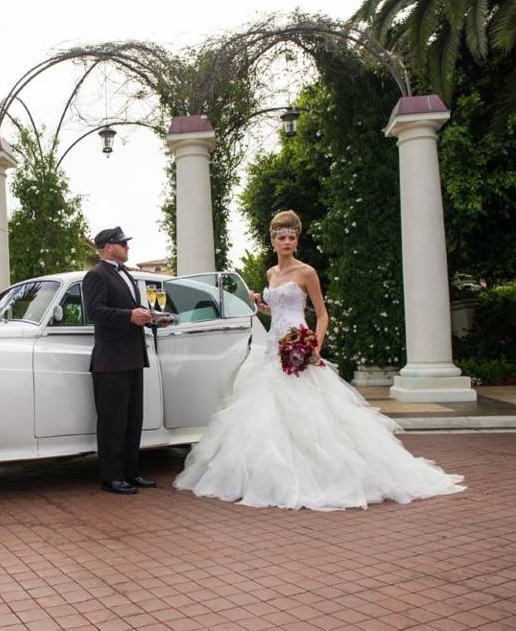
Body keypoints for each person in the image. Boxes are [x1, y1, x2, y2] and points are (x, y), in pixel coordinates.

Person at [174, 210, 466, 510]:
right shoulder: (270, 274)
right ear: (273, 241)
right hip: (274, 349)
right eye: (281, 237)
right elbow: (277, 313)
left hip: (300, 347)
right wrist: (260, 304)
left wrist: (314, 345)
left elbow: (322, 314)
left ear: (296, 241)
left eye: (291, 237)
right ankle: (272, 479)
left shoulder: (306, 272)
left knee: (311, 413)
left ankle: (329, 476)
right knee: (267, 414)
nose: (287, 242)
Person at [83, 226, 158, 495]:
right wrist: (129, 315)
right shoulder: (95, 275)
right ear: (107, 247)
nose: (127, 248)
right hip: (111, 359)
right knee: (112, 421)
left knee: (132, 419)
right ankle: (111, 477)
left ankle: (130, 472)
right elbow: (95, 312)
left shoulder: (126, 274)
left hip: (133, 356)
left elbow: (129, 310)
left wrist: (149, 318)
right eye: (122, 244)